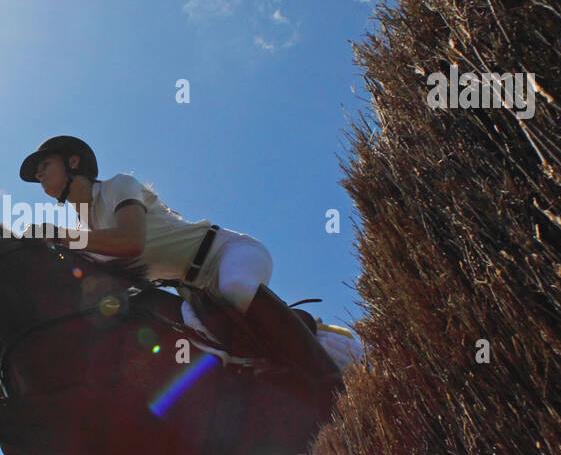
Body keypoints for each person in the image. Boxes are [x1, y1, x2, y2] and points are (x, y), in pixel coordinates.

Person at [18, 135, 337, 378]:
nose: (40, 176)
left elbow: (131, 242)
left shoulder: (118, 185)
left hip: (226, 254)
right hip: (195, 294)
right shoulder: (81, 228)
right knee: (202, 354)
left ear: (73, 162)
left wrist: (60, 236)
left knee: (236, 288)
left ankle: (326, 369)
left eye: (44, 166)